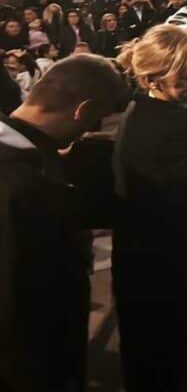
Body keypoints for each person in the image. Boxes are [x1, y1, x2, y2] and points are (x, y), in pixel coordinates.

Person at [0, 55, 128, 392]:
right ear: (82, 111)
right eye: (95, 121)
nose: (88, 131)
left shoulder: (21, 158)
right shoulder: (25, 185)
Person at [112, 25, 187, 390]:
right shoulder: (171, 128)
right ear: (152, 78)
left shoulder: (145, 111)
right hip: (171, 269)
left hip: (143, 263)